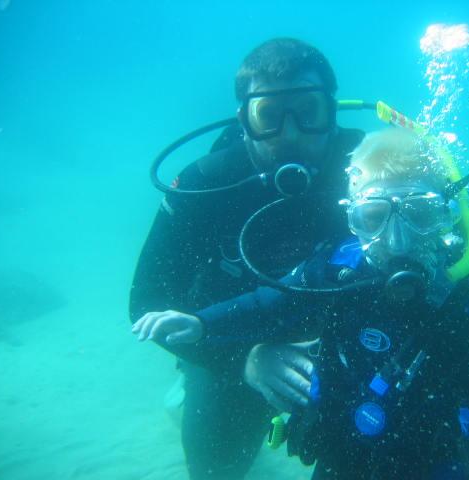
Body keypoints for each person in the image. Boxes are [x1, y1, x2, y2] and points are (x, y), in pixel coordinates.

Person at [135, 128, 469, 479]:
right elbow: (267, 305)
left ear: (447, 216)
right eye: (374, 217)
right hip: (345, 459)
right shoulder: (334, 272)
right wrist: (201, 324)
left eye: (420, 214)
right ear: (351, 217)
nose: (397, 240)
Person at [129, 38, 364, 480]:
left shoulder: (374, 168)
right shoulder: (203, 185)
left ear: (331, 113)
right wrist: (244, 360)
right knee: (216, 469)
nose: (290, 134)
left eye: (308, 112)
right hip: (228, 344)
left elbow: (462, 270)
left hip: (352, 343)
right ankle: (189, 386)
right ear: (244, 120)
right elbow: (147, 304)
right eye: (269, 117)